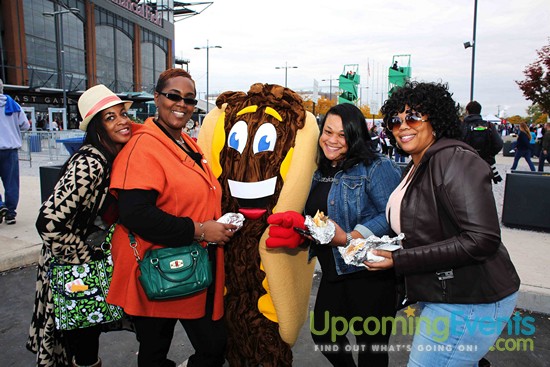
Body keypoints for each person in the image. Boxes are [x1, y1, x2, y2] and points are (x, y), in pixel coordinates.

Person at [369, 81, 520, 366]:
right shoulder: (420, 163)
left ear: (436, 120)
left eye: (413, 116)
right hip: (447, 292)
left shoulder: (454, 160)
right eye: (394, 120)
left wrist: (400, 260)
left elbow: (482, 239)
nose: (402, 126)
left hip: (471, 300)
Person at [107, 68, 236, 367]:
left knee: (213, 346)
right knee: (157, 349)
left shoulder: (186, 143)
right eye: (173, 96)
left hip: (191, 263)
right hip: (159, 268)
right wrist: (201, 230)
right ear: (157, 98)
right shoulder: (142, 147)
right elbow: (136, 214)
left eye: (189, 100)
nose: (181, 104)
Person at [271, 103, 402, 366]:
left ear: (355, 136)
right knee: (323, 333)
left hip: (370, 274)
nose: (331, 140)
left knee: (371, 350)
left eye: (342, 135)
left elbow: (392, 215)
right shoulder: (318, 170)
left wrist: (352, 236)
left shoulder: (376, 166)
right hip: (333, 271)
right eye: (327, 131)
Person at [27, 84, 133, 367]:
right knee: (82, 342)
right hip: (73, 268)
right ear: (97, 126)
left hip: (85, 266)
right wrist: (85, 257)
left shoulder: (112, 156)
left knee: (87, 336)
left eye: (122, 113)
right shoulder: (90, 162)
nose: (122, 120)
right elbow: (48, 222)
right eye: (110, 117)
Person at [0, 78, 30, 225]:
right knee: (11, 183)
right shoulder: (14, 105)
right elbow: (25, 125)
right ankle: (10, 213)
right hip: (10, 149)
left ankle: (0, 206)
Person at [461, 100, 503, 183]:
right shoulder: (489, 126)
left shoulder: (462, 126)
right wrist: (488, 154)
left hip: (465, 163)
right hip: (485, 163)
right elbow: (499, 144)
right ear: (480, 111)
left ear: (467, 111)